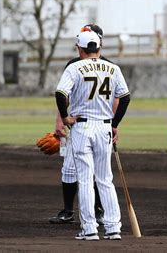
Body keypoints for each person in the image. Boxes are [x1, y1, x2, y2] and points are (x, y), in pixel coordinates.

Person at [55, 30, 131, 240]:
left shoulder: (75, 67)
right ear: (99, 48)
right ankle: (114, 227)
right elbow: (125, 98)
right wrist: (114, 124)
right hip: (104, 127)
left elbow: (60, 93)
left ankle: (89, 229)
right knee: (105, 178)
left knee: (86, 179)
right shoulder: (113, 68)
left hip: (83, 127)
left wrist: (65, 117)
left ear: (80, 48)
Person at [49, 24, 113, 226]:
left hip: (89, 125)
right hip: (78, 124)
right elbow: (65, 96)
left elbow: (117, 99)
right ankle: (69, 211)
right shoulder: (76, 64)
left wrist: (114, 124)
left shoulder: (105, 66)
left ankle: (97, 213)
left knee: (94, 173)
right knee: (71, 169)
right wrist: (61, 120)